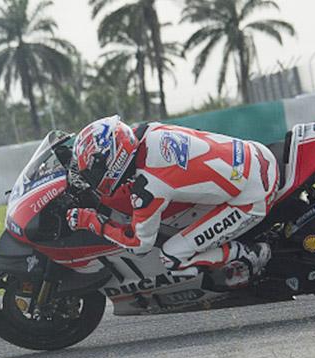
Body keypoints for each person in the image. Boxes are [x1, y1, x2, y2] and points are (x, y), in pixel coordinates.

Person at [66, 115, 278, 288]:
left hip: (252, 197)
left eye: (93, 172)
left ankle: (248, 254)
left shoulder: (148, 187)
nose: (92, 179)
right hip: (256, 154)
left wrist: (91, 221)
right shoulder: (151, 131)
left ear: (114, 160)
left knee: (172, 257)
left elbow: (139, 244)